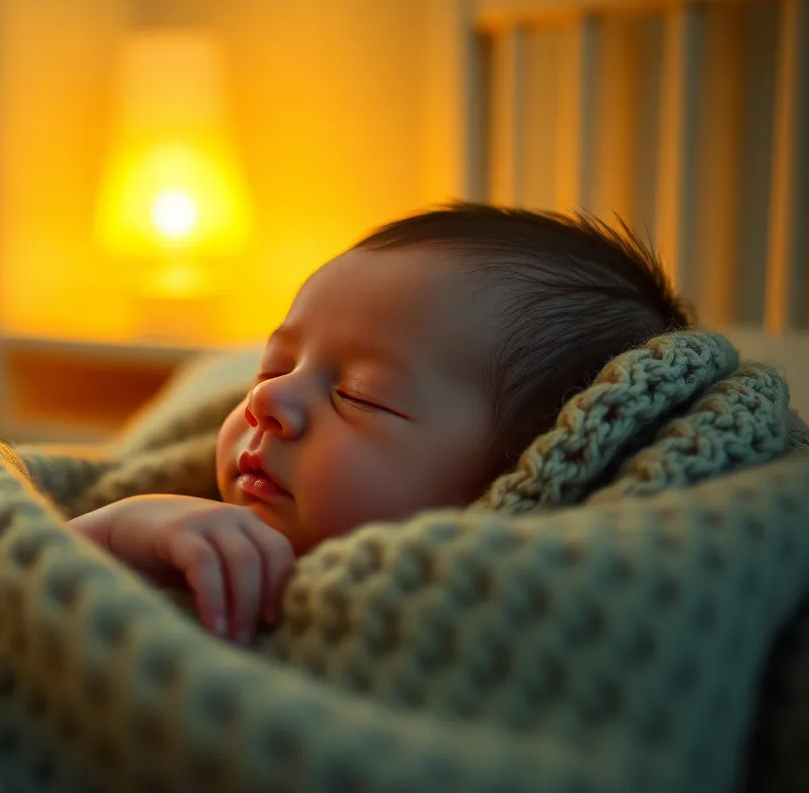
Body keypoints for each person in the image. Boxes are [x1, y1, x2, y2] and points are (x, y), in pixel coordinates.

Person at [70, 202, 692, 645]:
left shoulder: (461, 630)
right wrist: (114, 534)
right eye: (272, 367)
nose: (266, 402)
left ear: (517, 479)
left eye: (360, 396)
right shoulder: (172, 520)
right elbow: (2, 592)